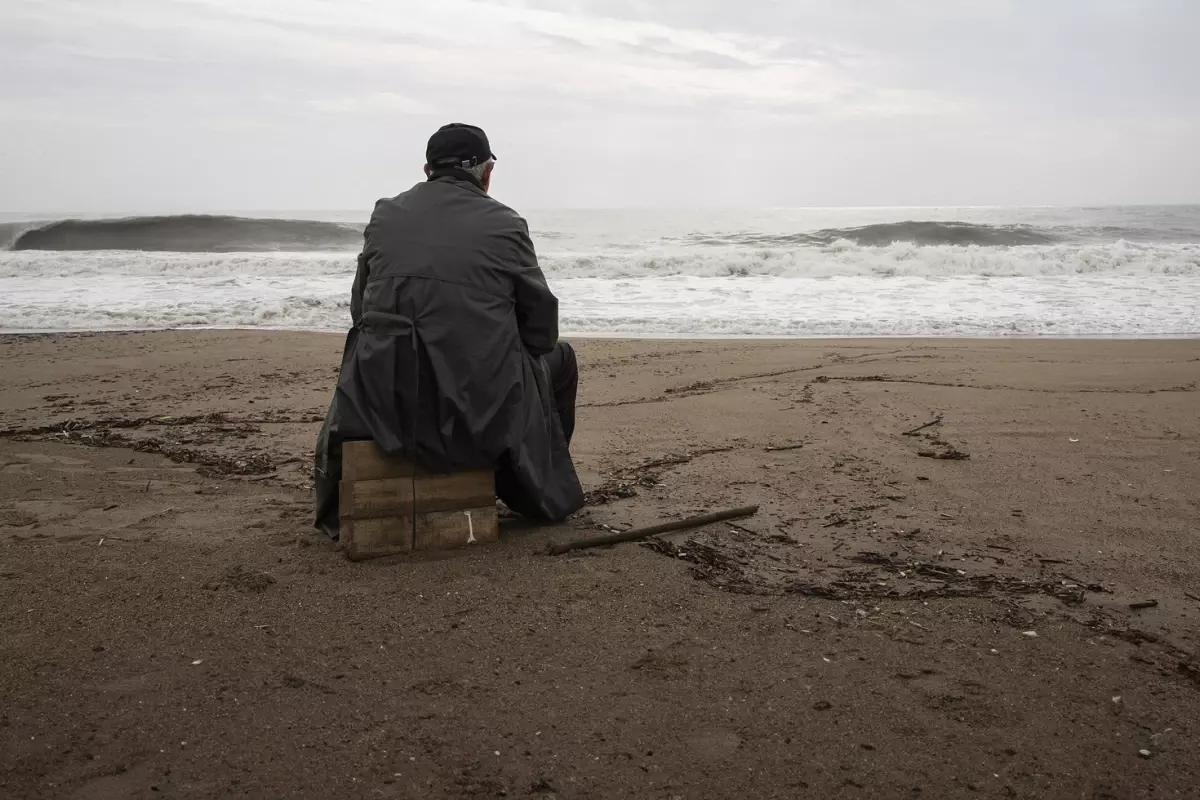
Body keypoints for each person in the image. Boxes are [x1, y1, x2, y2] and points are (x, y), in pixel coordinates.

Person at [313, 123, 584, 538]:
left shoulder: (385, 213)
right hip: (476, 410)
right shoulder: (506, 223)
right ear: (487, 172)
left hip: (382, 404)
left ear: (427, 170)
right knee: (560, 360)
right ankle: (531, 486)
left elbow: (360, 309)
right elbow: (541, 329)